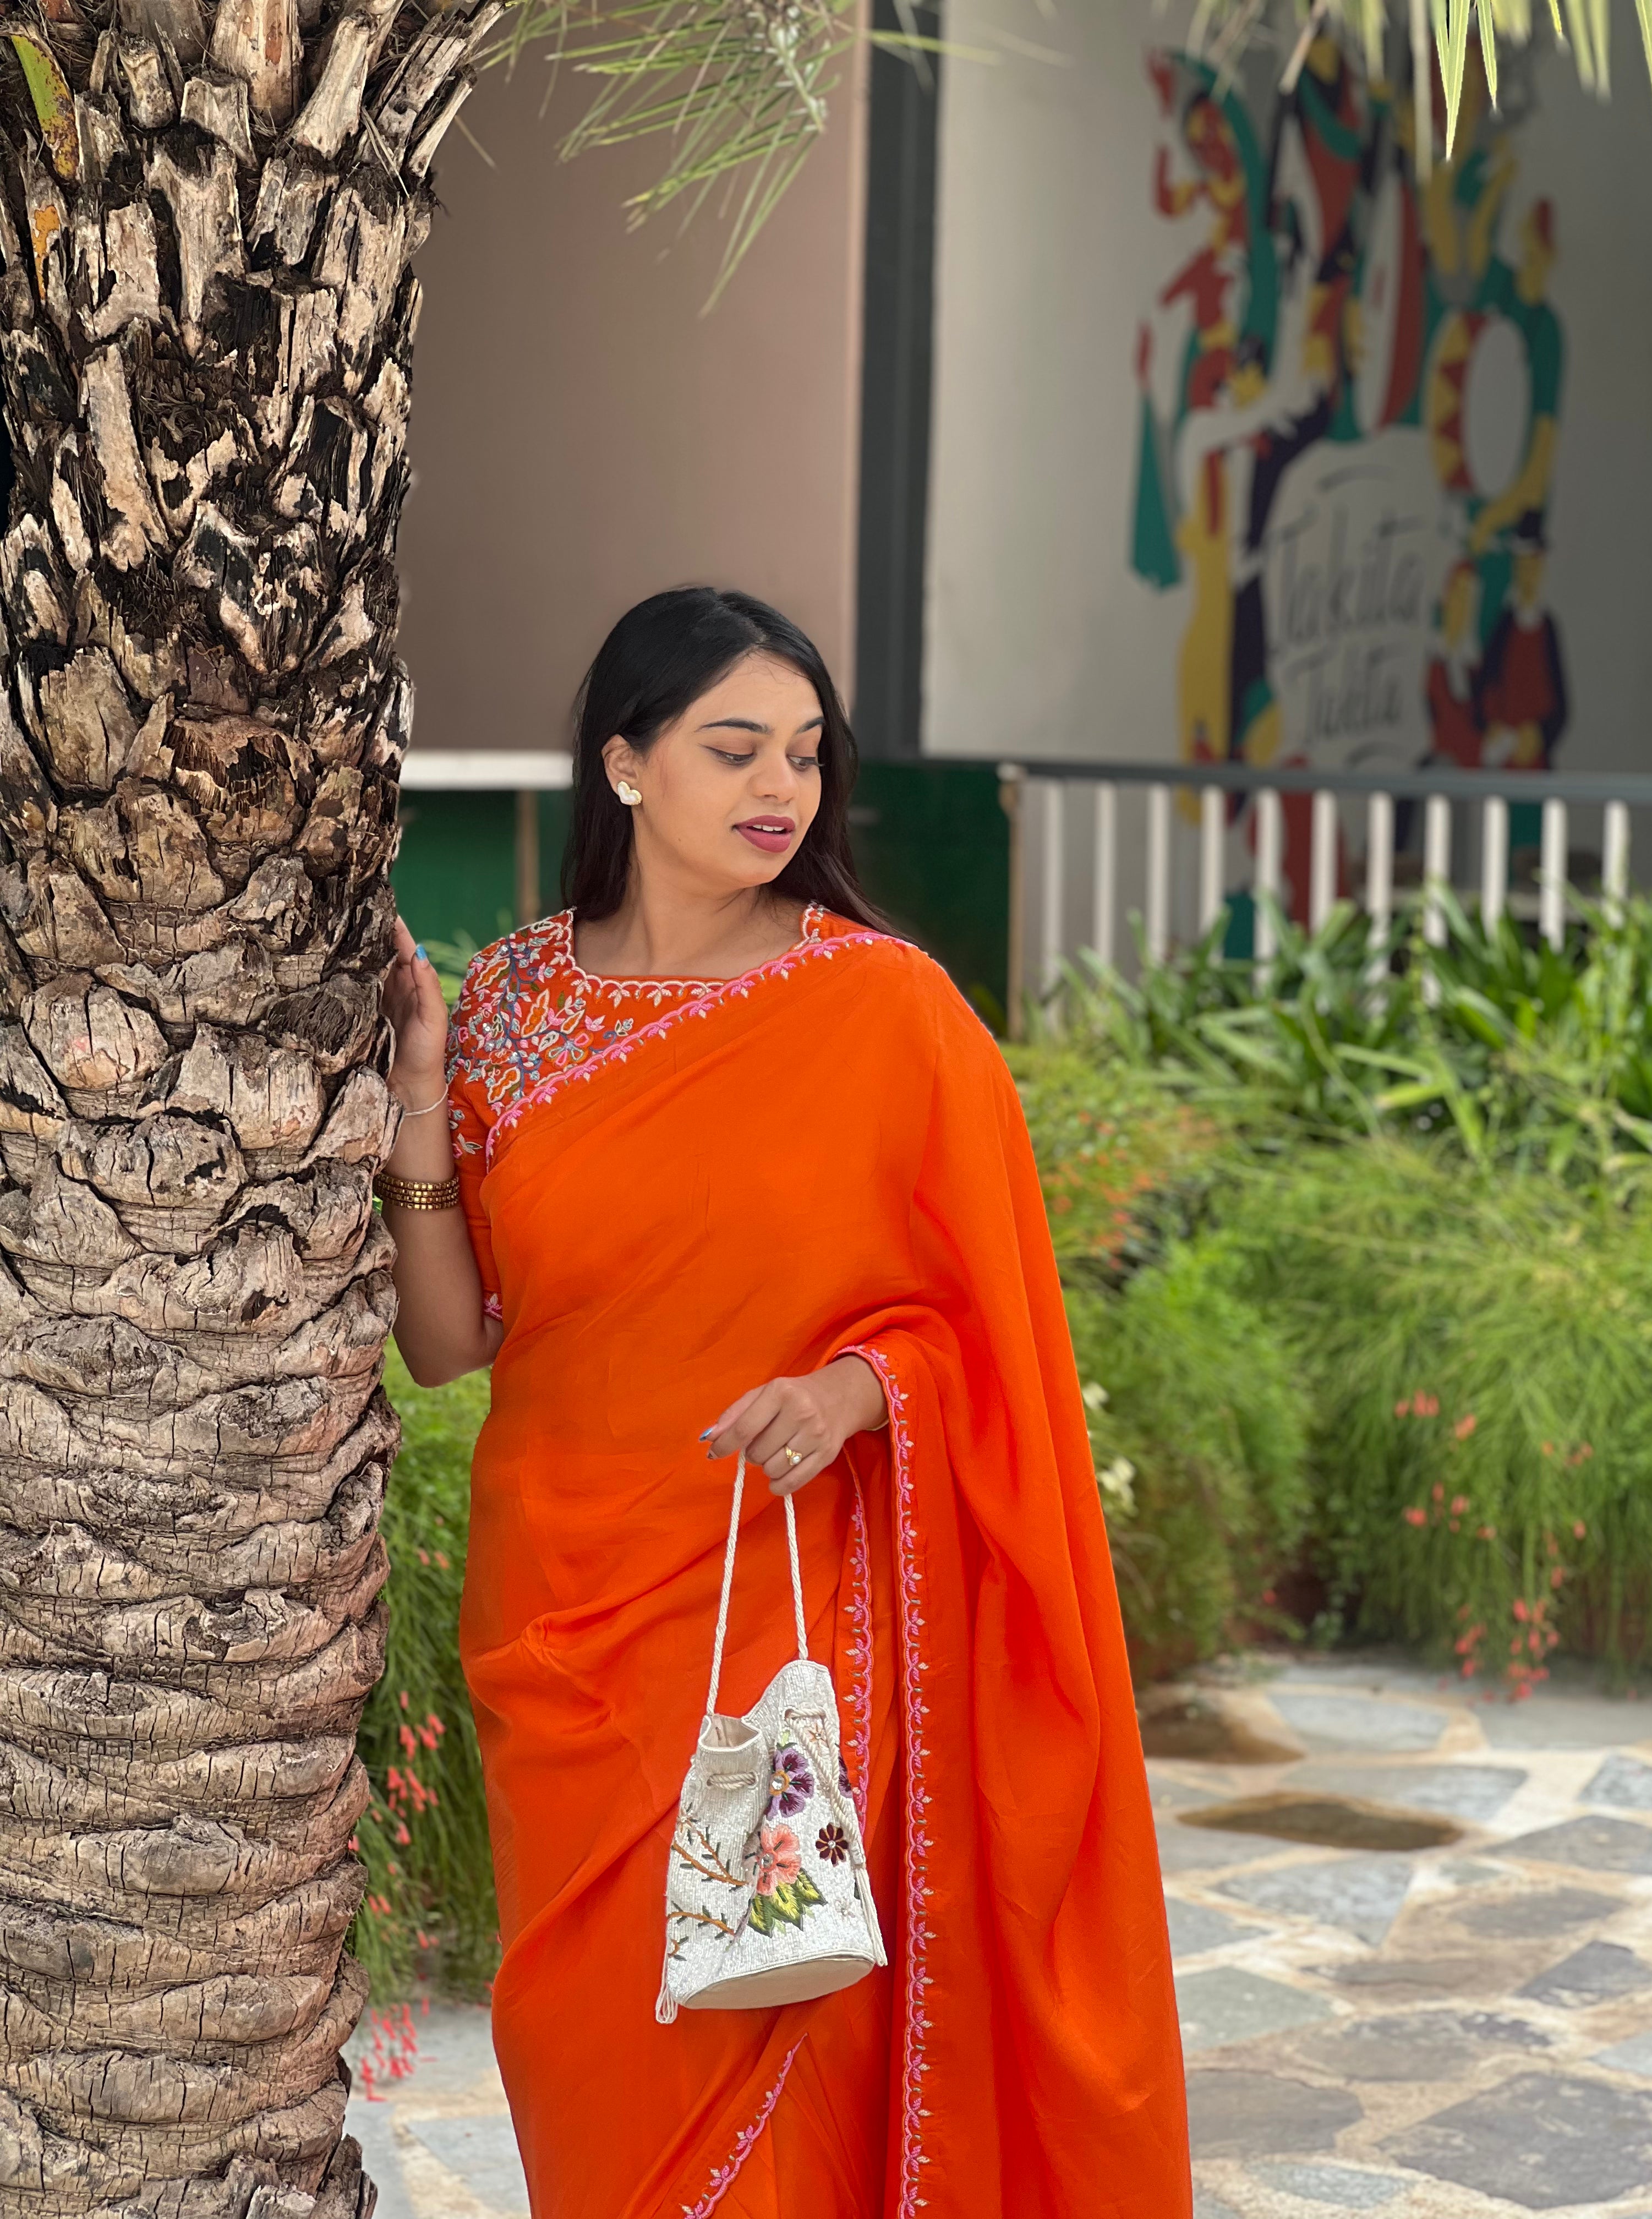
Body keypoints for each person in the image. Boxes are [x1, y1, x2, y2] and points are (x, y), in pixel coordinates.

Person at [378, 587, 1188, 2218]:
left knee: (776, 2021)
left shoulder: (885, 1011)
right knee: (588, 2056)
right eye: (733, 746)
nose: (781, 789)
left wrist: (855, 1391)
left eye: (807, 754)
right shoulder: (520, 1002)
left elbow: (995, 1325)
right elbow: (453, 1344)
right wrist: (414, 1108)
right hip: (561, 1608)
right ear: (623, 764)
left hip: (773, 1612)